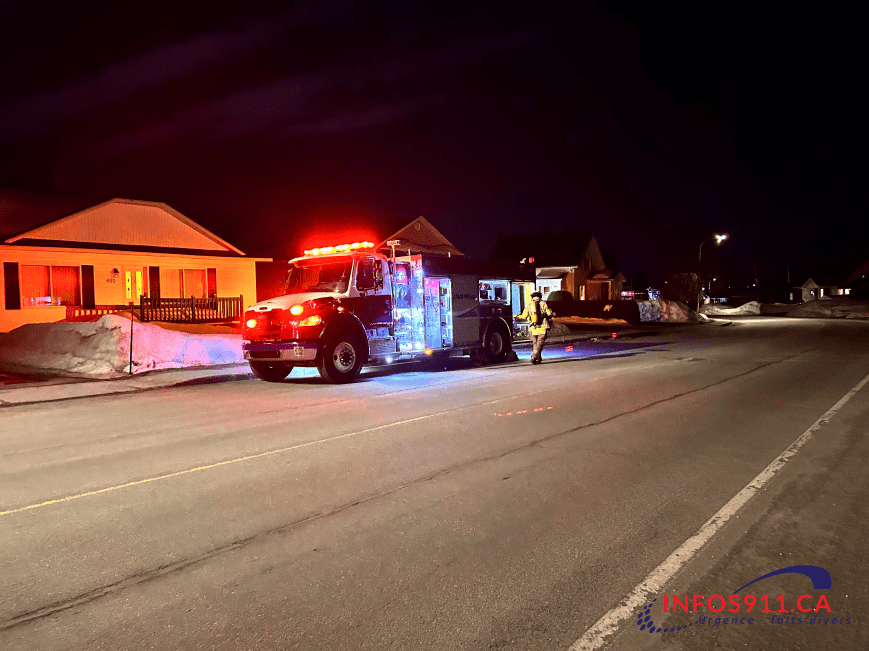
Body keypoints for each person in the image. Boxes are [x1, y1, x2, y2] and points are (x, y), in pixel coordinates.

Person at [515, 291, 554, 364]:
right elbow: (549, 313)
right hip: (543, 326)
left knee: (535, 342)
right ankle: (535, 355)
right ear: (540, 297)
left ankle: (538, 357)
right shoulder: (543, 303)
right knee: (540, 341)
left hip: (533, 326)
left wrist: (517, 317)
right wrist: (551, 314)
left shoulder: (530, 304)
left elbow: (524, 316)